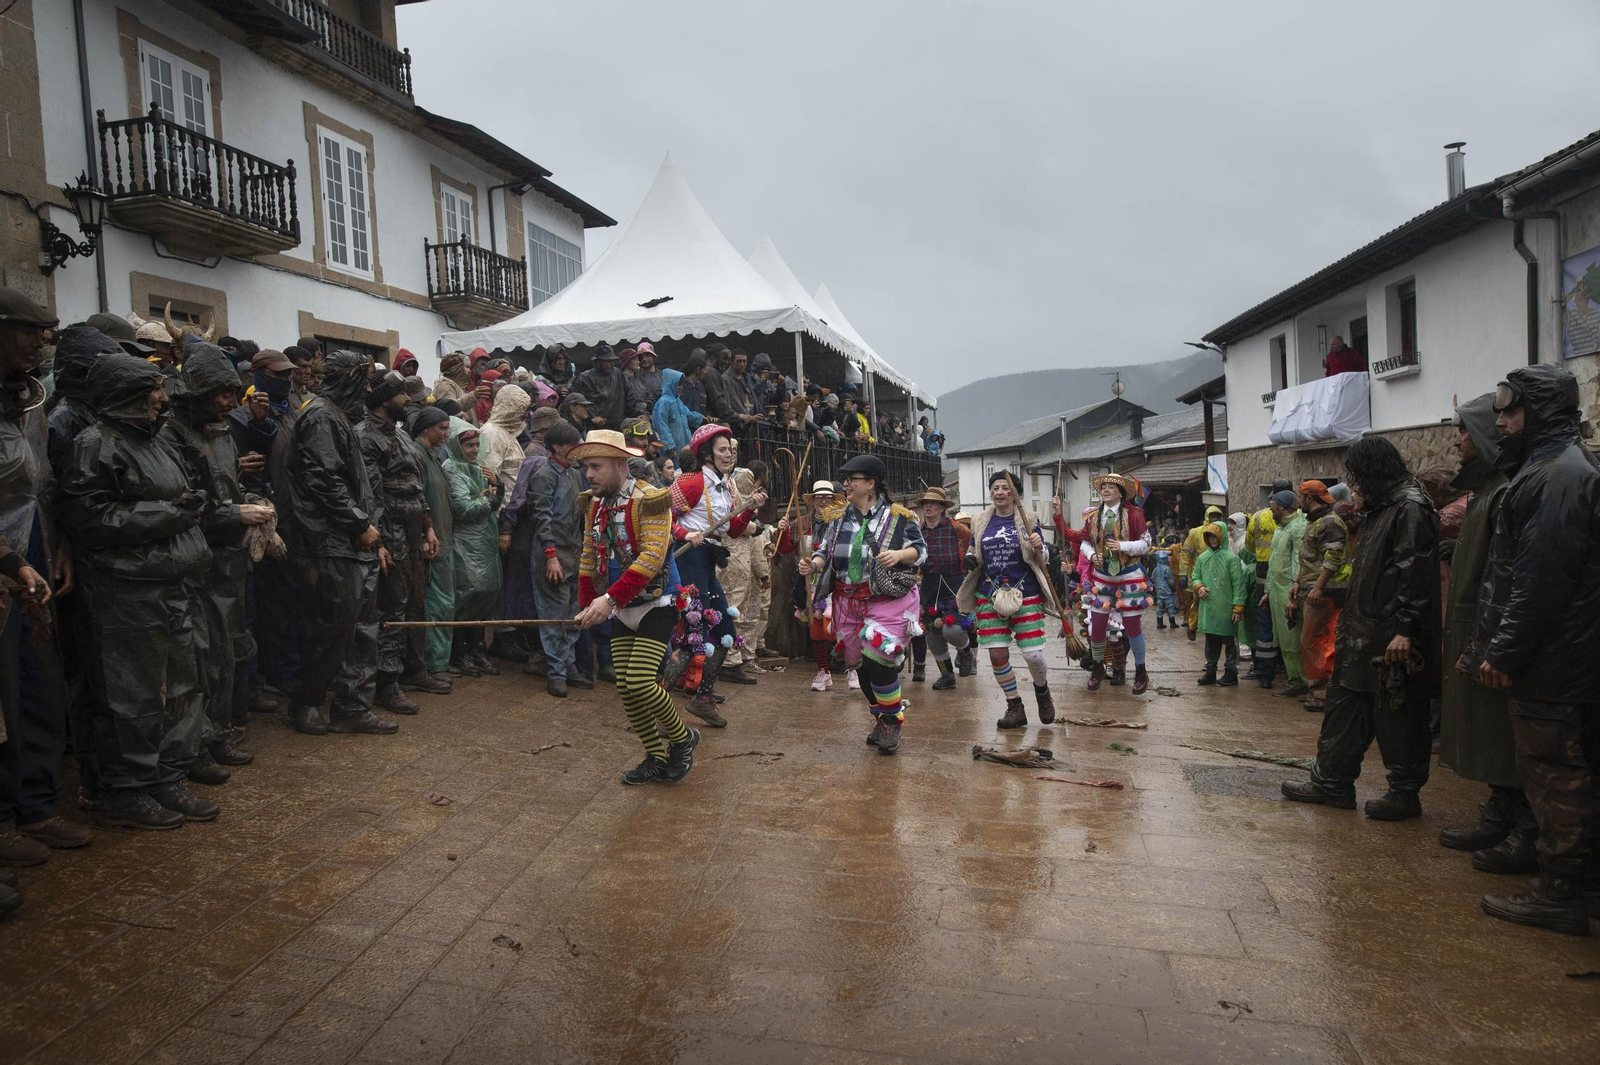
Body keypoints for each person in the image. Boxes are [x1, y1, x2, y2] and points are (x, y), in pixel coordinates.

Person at [57, 353, 214, 828]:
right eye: (153, 389)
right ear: (126, 392)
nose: (162, 398)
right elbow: (90, 516)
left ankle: (166, 776)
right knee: (132, 693)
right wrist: (168, 514)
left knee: (180, 685)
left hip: (170, 580)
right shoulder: (95, 445)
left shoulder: (156, 442)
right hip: (125, 589)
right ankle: (127, 790)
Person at [1470, 366, 1600, 935]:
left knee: (1555, 773)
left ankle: (1562, 892)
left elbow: (1539, 579)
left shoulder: (1557, 476)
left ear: (1540, 413)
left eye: (1511, 411)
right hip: (1561, 656)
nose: (1500, 422)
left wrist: (1505, 650)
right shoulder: (1552, 470)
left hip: (1554, 661)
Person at [1283, 437, 1439, 821]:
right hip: (1361, 632)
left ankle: (1404, 793)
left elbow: (1413, 572)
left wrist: (1405, 628)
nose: (1354, 486)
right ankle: (1330, 783)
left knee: (1398, 715)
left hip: (1390, 636)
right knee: (1344, 708)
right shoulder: (1384, 506)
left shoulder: (1410, 507)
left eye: (1357, 477)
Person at [159, 343, 275, 782]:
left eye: (234, 391)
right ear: (198, 391)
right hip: (192, 561)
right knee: (198, 655)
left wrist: (252, 505)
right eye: (222, 393)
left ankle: (218, 732)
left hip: (228, 560)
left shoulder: (221, 431)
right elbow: (182, 502)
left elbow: (227, 487)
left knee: (227, 650)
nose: (231, 401)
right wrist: (233, 513)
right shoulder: (172, 434)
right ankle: (194, 746)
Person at [0, 291, 81, 860]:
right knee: (3, 697)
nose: (39, 342)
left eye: (45, 332)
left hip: (34, 548)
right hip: (3, 563)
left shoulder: (29, 402)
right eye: (29, 330)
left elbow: (43, 481)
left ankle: (36, 805)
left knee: (39, 685)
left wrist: (60, 545)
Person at [279, 349, 398, 738]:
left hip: (351, 542)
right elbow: (323, 481)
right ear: (346, 378)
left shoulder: (340, 419)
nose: (366, 389)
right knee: (328, 629)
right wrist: (359, 523)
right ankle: (307, 702)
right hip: (326, 542)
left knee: (361, 627)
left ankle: (352, 706)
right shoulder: (321, 417)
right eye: (361, 380)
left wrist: (368, 532)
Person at [572, 429, 699, 784]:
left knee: (641, 681)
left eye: (596, 467)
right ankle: (656, 757)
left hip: (655, 602)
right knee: (624, 686)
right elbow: (587, 557)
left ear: (620, 464)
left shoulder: (651, 499)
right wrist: (587, 606)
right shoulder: (594, 504)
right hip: (617, 603)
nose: (589, 475)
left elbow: (652, 558)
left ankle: (683, 738)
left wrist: (606, 601)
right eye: (586, 467)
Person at [1437, 393, 1529, 873]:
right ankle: (1500, 813)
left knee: (1503, 733)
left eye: (1464, 431)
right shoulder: (1484, 491)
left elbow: (1512, 577)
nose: (1456, 440)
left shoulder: (1505, 492)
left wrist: (1486, 642)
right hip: (1476, 629)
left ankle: (1522, 830)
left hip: (1493, 636)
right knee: (1488, 731)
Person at [798, 454, 924, 754]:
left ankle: (893, 722)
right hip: (848, 601)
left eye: (852, 479)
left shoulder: (900, 517)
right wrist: (813, 565)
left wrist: (898, 556)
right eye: (846, 479)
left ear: (871, 484)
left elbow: (920, 550)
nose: (846, 484)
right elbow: (826, 550)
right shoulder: (839, 517)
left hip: (887, 599)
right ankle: (881, 716)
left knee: (876, 659)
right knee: (859, 666)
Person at [357, 374, 442, 714]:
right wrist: (377, 540)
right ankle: (387, 684)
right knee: (392, 605)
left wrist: (428, 527)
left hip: (411, 528)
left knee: (416, 601)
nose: (408, 401)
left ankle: (414, 670)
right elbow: (369, 495)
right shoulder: (364, 438)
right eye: (402, 396)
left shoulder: (403, 436)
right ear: (384, 400)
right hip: (387, 529)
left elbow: (415, 486)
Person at [670, 425, 766, 725]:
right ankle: (654, 705)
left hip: (709, 559)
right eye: (723, 449)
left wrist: (750, 510)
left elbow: (733, 531)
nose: (729, 454)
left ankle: (703, 698)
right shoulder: (691, 482)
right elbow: (660, 520)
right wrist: (686, 534)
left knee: (725, 632)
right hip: (688, 561)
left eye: (730, 449)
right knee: (694, 633)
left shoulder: (725, 487)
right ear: (707, 454)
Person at [959, 471, 1054, 728]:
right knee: (998, 655)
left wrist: (1038, 546)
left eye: (1005, 488)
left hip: (1027, 592)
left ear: (1015, 493)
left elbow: (1044, 558)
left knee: (1033, 655)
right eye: (995, 487)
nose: (999, 492)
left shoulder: (1029, 519)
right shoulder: (978, 521)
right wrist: (969, 561)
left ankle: (1042, 691)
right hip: (988, 593)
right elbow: (973, 553)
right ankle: (1015, 705)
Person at [1060, 473, 1154, 694]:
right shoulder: (1094, 517)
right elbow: (1083, 541)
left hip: (1129, 575)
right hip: (1102, 576)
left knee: (1132, 627)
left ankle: (1141, 670)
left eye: (1111, 486)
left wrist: (1123, 546)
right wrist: (1093, 555)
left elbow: (1146, 543)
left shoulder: (1134, 514)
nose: (1106, 489)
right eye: (1103, 487)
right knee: (1098, 626)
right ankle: (1098, 667)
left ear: (1121, 493)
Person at [527, 422, 588, 697]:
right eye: (573, 444)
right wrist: (550, 556)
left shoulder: (574, 474)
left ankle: (569, 665)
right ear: (559, 447)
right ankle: (555, 672)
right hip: (552, 554)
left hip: (574, 551)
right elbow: (542, 519)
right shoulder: (543, 475)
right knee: (553, 614)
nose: (577, 449)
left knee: (573, 612)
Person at [443, 425, 503, 675]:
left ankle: (478, 649)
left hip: (484, 540)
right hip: (465, 543)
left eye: (477, 445)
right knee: (467, 594)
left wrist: (495, 487)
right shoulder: (451, 468)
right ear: (457, 446)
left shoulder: (478, 468)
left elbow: (485, 499)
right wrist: (489, 498)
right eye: (469, 446)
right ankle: (459, 652)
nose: (474, 450)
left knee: (485, 593)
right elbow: (463, 507)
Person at [775, 481, 846, 692]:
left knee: (833, 628)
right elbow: (785, 548)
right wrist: (783, 531)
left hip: (836, 583)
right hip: (809, 584)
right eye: (819, 498)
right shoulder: (801, 522)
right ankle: (823, 671)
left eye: (827, 498)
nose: (823, 502)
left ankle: (853, 667)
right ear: (812, 501)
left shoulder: (842, 522)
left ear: (834, 500)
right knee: (816, 632)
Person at [1288, 480, 1349, 712]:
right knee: (1311, 641)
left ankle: (1324, 694)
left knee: (1319, 642)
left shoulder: (1329, 523)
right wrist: (1298, 583)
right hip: (1315, 590)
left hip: (1328, 592)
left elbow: (1332, 558)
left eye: (1300, 498)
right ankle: (1319, 692)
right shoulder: (1315, 522)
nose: (1298, 502)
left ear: (1309, 499)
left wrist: (1318, 588)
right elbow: (1309, 558)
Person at [409, 407, 457, 686]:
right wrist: (423, 534)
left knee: (445, 604)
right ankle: (429, 666)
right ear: (426, 428)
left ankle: (439, 662)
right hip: (431, 543)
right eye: (441, 428)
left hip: (443, 540)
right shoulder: (417, 455)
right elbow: (416, 498)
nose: (446, 434)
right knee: (436, 605)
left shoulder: (434, 455)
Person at [910, 486, 969, 690]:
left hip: (954, 584)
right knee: (933, 635)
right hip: (929, 585)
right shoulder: (917, 531)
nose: (929, 506)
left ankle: (965, 652)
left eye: (933, 503)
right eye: (926, 503)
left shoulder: (956, 528)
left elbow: (972, 545)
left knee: (952, 629)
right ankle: (947, 675)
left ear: (942, 508)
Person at [721, 459, 772, 680]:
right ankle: (733, 660)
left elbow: (756, 548)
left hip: (745, 571)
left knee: (746, 613)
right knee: (737, 612)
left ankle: (741, 657)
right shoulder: (731, 504)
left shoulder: (748, 510)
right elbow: (738, 531)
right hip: (735, 568)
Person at [1243, 480, 1291, 685]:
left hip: (1263, 570)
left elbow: (1249, 545)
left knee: (1265, 621)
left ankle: (1264, 673)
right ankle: (1289, 669)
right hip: (1288, 573)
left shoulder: (1258, 516)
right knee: (1290, 620)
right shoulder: (1300, 517)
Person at [1263, 491, 1308, 699]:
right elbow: (1274, 564)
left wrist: (1294, 592)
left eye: (1273, 510)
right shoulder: (1281, 529)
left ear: (1282, 508)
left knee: (1293, 638)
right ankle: (1294, 678)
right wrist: (1268, 590)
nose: (1271, 514)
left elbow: (1298, 562)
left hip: (1289, 592)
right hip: (1277, 592)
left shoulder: (1298, 528)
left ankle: (1302, 680)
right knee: (1284, 638)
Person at [1192, 521, 1245, 686]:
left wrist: (1238, 607)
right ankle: (1210, 671)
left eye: (1215, 536)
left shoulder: (1231, 559)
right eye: (1209, 536)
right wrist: (1198, 586)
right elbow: (1196, 576)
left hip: (1226, 607)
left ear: (1221, 536)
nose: (1212, 539)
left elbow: (1238, 585)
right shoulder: (1202, 558)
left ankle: (1231, 672)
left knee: (1229, 642)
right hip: (1209, 608)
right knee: (1211, 642)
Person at [478, 383, 531, 508]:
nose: (525, 415)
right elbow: (489, 478)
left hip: (512, 509)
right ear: (511, 410)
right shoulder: (491, 433)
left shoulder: (507, 433)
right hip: (501, 511)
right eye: (521, 411)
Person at [572, 344, 644, 432]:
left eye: (612, 361)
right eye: (608, 361)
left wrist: (640, 412)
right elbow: (576, 402)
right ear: (597, 362)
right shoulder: (584, 378)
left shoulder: (618, 374)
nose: (612, 364)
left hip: (617, 426)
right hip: (593, 428)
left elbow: (632, 397)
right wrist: (591, 417)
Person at [1177, 505, 1223, 641]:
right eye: (1212, 517)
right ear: (1207, 517)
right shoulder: (1196, 533)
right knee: (1198, 602)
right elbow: (1186, 553)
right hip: (1200, 573)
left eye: (1218, 517)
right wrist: (1183, 573)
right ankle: (1192, 626)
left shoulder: (1223, 532)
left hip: (1218, 573)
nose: (1215, 519)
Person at [651, 365, 704, 458]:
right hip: (673, 449)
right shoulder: (664, 402)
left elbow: (688, 414)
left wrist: (701, 418)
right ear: (670, 384)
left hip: (684, 445)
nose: (680, 387)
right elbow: (661, 426)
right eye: (678, 384)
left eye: (681, 385)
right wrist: (669, 446)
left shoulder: (677, 400)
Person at [1150, 548, 1177, 629]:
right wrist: (1174, 588)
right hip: (1167, 591)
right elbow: (1170, 581)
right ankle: (1172, 623)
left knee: (1159, 607)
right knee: (1170, 606)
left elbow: (1153, 578)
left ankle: (1159, 623)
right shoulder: (1167, 568)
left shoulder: (1156, 569)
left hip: (1159, 591)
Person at [631, 342, 664, 408]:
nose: (644, 359)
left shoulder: (663, 376)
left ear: (653, 356)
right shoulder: (634, 377)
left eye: (647, 355)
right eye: (641, 357)